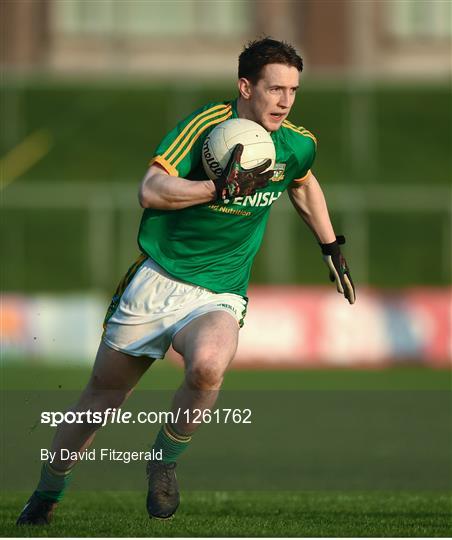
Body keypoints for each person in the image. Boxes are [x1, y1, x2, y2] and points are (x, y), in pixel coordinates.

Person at [16, 37, 355, 526]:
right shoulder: (204, 128)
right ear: (245, 87)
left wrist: (330, 246)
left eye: (293, 90)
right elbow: (150, 190)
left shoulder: (296, 143)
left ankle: (164, 461)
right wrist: (215, 188)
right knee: (101, 401)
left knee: (209, 367)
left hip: (218, 291)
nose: (285, 100)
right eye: (275, 88)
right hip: (157, 281)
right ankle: (47, 492)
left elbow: (303, 182)